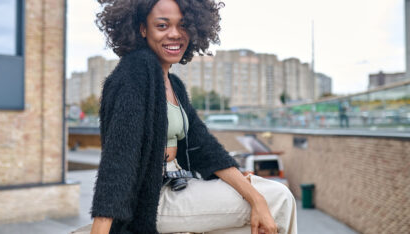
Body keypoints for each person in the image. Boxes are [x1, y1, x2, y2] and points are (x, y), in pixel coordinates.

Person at [90, 0, 297, 233]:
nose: (175, 34)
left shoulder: (173, 84)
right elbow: (119, 159)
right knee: (279, 197)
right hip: (152, 200)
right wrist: (101, 228)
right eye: (162, 26)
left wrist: (255, 198)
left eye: (184, 25)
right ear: (142, 29)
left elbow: (205, 149)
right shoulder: (135, 73)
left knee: (261, 208)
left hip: (180, 185)